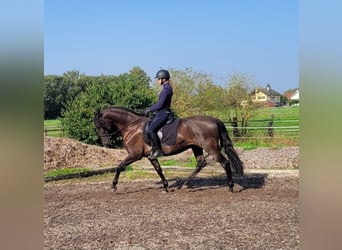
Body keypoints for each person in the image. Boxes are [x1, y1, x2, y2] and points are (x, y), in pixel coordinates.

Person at [144, 69, 173, 159]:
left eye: (158, 79)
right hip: (161, 111)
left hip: (164, 112)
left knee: (151, 130)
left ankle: (158, 150)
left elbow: (160, 104)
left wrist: (150, 109)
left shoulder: (166, 89)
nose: (157, 81)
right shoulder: (166, 88)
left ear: (163, 79)